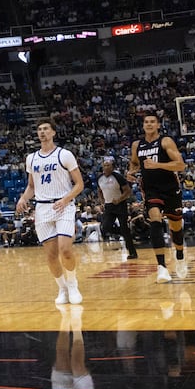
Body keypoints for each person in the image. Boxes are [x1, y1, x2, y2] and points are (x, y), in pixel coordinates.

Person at [16, 120, 85, 304]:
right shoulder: (31, 158)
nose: (42, 132)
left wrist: (65, 199)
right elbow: (31, 186)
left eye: (46, 129)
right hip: (42, 208)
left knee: (66, 250)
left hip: (63, 205)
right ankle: (62, 288)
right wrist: (23, 198)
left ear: (53, 132)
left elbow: (79, 184)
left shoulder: (65, 154)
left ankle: (72, 284)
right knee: (51, 255)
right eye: (39, 129)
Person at [128, 110, 187, 282]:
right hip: (151, 189)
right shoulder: (136, 145)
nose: (149, 124)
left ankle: (180, 254)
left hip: (170, 188)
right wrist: (131, 171)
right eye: (146, 121)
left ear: (158, 125)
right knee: (155, 219)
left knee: (176, 227)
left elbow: (180, 165)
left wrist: (157, 165)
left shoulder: (166, 141)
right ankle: (161, 267)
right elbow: (134, 163)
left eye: (152, 121)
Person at [96, 156, 138, 259]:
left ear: (112, 167)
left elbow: (128, 191)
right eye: (104, 165)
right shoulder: (100, 178)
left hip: (120, 205)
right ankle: (123, 233)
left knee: (124, 227)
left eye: (108, 166)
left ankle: (132, 253)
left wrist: (119, 199)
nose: (106, 167)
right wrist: (102, 201)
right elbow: (99, 191)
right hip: (109, 206)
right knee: (105, 227)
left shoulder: (118, 177)